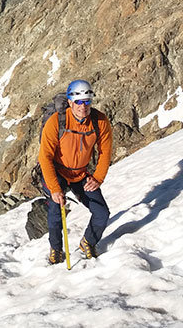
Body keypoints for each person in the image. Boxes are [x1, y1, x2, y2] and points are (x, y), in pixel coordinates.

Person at [38, 79, 113, 264]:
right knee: (56, 208)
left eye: (87, 101)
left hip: (80, 174)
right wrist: (55, 189)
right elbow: (44, 157)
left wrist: (98, 178)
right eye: (78, 102)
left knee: (101, 212)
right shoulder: (57, 121)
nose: (83, 106)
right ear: (70, 102)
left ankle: (88, 242)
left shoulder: (100, 121)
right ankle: (56, 249)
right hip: (57, 172)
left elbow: (105, 152)